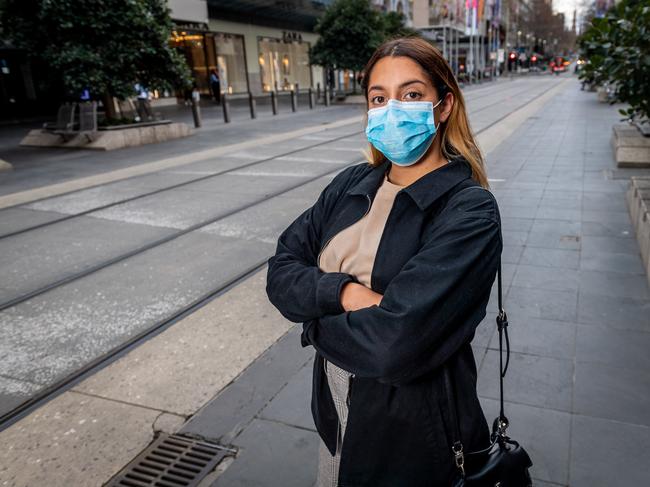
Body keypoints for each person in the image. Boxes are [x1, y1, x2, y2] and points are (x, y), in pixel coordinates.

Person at [266, 36, 502, 486]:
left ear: (444, 105)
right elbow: (281, 271)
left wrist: (312, 320)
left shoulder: (468, 210)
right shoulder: (352, 183)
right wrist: (346, 293)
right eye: (380, 98)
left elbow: (394, 347)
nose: (393, 109)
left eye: (412, 95)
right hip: (336, 410)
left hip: (413, 435)